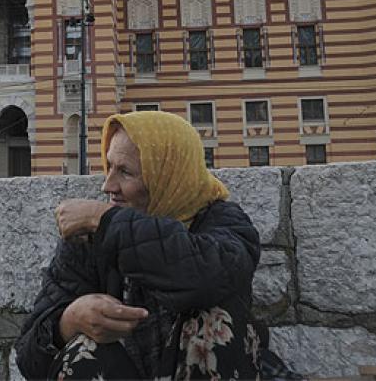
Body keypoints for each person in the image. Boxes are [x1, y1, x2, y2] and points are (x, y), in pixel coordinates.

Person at [15, 111, 296, 380]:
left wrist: (107, 221)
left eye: (125, 172)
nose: (107, 186)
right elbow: (28, 357)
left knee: (212, 325)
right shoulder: (88, 240)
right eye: (109, 166)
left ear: (168, 173)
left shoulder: (224, 222)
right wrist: (68, 322)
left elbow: (203, 278)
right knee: (80, 351)